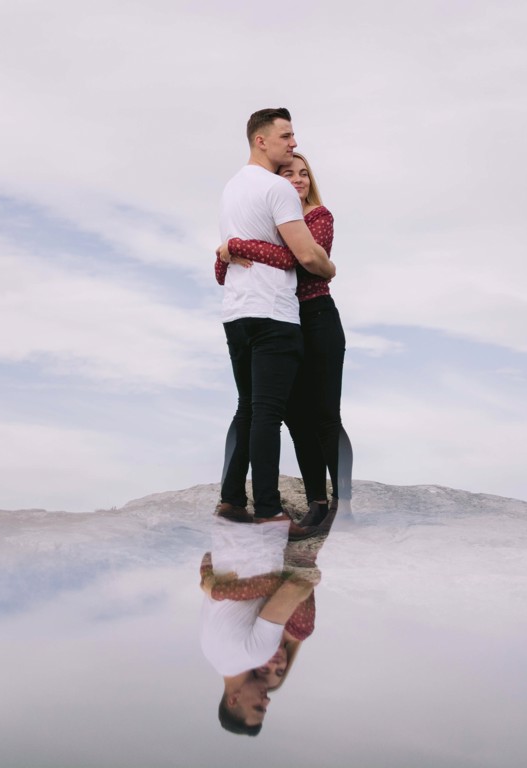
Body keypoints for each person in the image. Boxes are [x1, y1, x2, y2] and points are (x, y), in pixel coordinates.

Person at [217, 152, 351, 525]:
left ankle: (343, 503)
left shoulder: (317, 217)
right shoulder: (277, 218)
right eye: (288, 173)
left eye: (304, 174)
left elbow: (304, 260)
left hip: (318, 317)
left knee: (325, 415)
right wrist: (230, 250)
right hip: (283, 320)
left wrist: (239, 246)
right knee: (290, 415)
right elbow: (228, 267)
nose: (299, 180)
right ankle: (315, 501)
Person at [199, 518, 317, 735]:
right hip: (228, 524)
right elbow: (209, 558)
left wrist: (220, 591)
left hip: (272, 528)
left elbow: (297, 585)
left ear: (233, 700)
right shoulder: (208, 650)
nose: (267, 702)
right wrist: (211, 582)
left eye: (258, 707)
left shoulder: (256, 654)